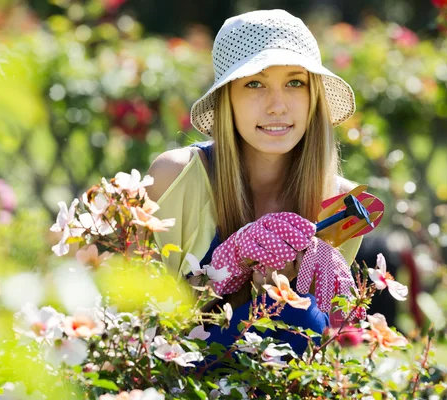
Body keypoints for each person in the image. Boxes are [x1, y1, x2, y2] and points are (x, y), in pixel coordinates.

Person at [147, 9, 364, 355]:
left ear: (314, 98)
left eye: (295, 83)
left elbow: (323, 348)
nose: (277, 106)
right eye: (254, 83)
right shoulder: (174, 179)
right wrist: (228, 278)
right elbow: (139, 327)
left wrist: (283, 297)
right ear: (226, 98)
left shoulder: (341, 204)